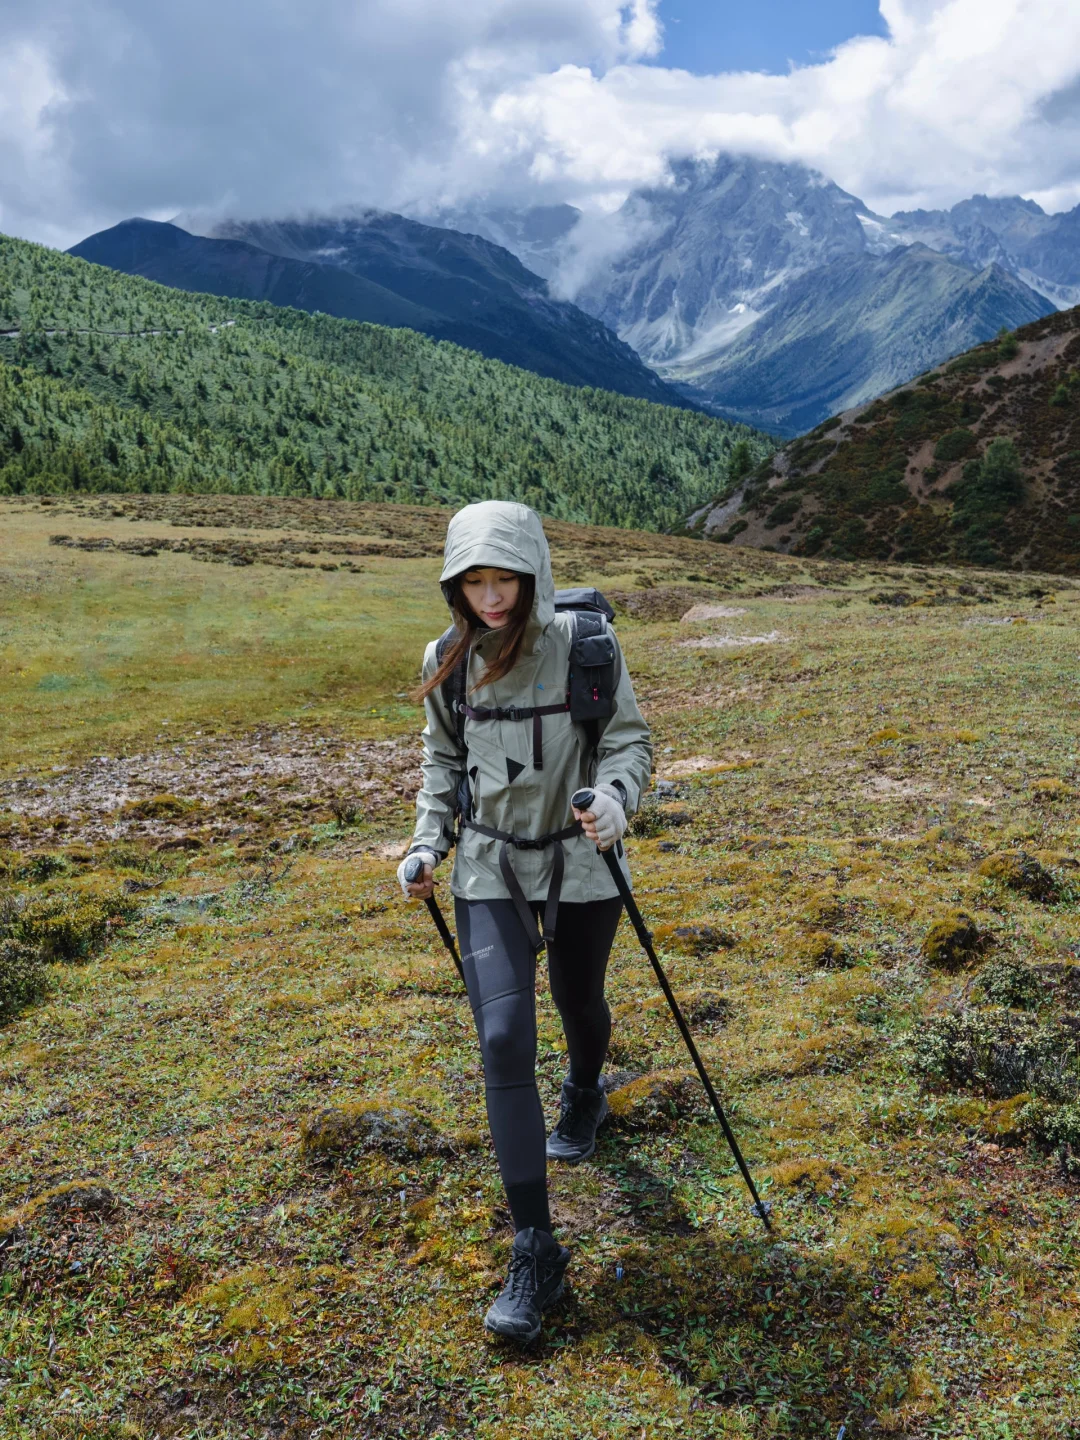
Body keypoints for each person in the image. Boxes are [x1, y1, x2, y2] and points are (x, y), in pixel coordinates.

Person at [396, 500, 652, 1341]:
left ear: (533, 572)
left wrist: (615, 802)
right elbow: (443, 763)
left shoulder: (587, 647)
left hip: (581, 860)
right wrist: (429, 843)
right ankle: (536, 1247)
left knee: (581, 999)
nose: (491, 595)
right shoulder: (448, 659)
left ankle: (585, 1090)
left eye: (504, 576)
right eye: (473, 579)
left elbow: (628, 744)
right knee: (503, 1037)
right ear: (453, 584)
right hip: (488, 865)